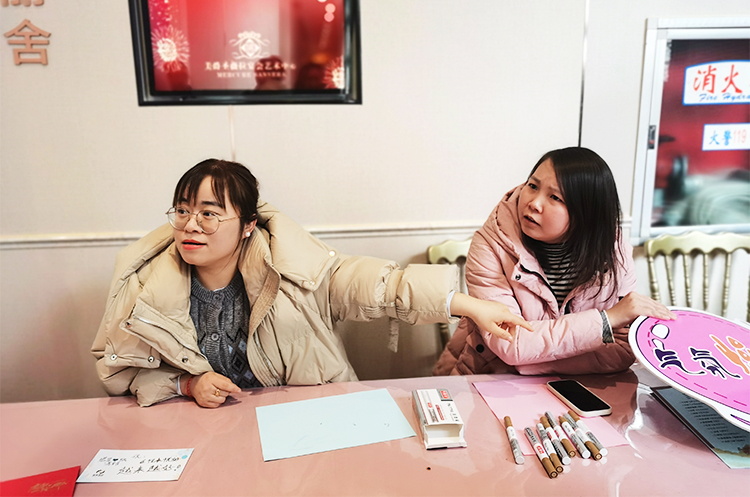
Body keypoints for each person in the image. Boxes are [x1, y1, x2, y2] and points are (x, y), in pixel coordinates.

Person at [92, 159, 530, 407]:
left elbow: (381, 285)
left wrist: (466, 305)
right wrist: (187, 385)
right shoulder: (145, 284)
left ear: (247, 225)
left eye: (209, 213)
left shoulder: (295, 269)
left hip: (304, 421)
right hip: (206, 432)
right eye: (183, 211)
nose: (191, 225)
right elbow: (118, 373)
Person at [434, 147, 675, 377]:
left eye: (555, 197)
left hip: (580, 387)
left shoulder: (614, 249)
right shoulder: (490, 245)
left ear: (587, 213)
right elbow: (511, 343)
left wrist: (531, 359)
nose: (534, 203)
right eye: (532, 186)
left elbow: (621, 350)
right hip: (489, 380)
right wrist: (606, 321)